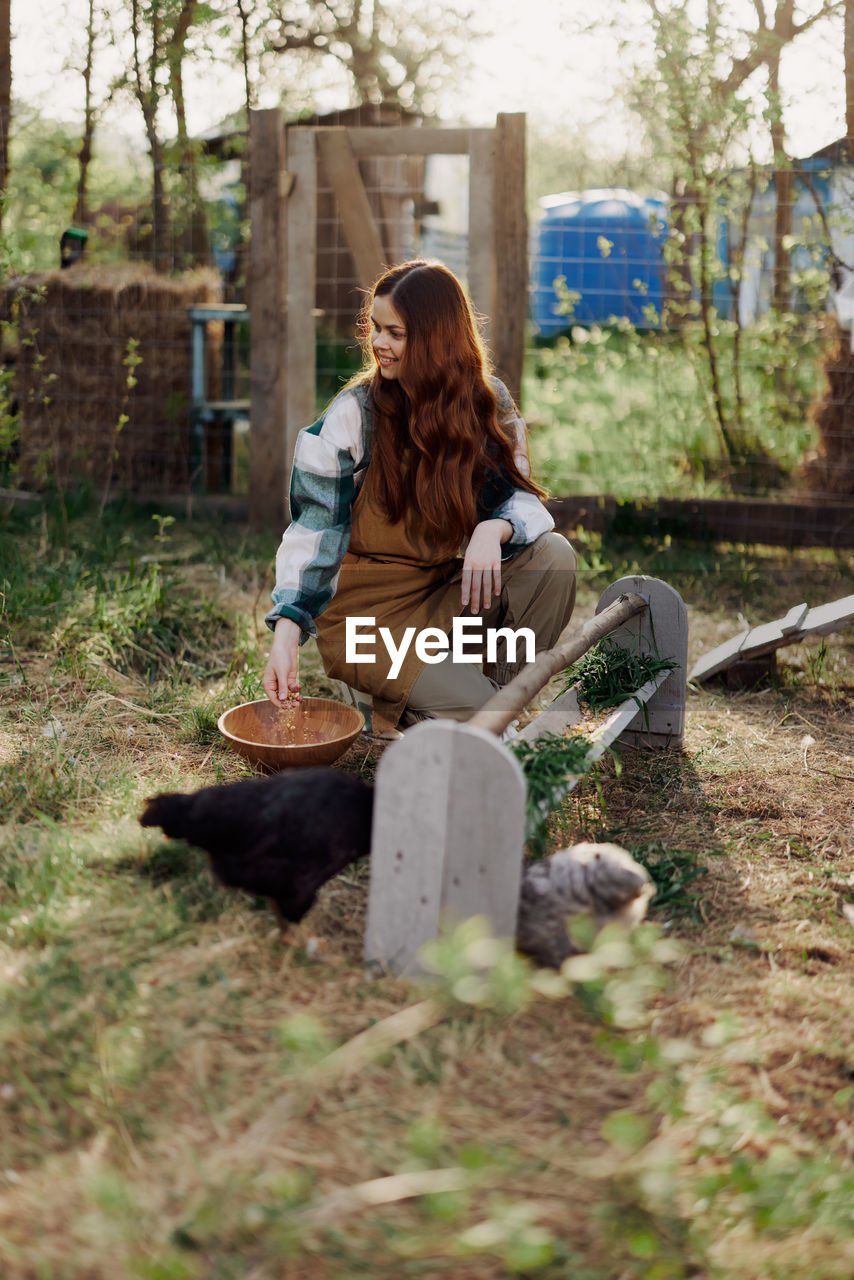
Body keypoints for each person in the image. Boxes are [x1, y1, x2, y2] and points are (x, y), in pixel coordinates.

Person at [263, 259, 577, 737]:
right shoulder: (354, 415)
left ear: (438, 337)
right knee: (487, 716)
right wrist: (286, 630)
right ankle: (457, 704)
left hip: (442, 595)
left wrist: (494, 529)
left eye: (397, 333)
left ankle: (488, 696)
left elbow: (524, 499)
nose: (378, 344)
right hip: (364, 623)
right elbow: (313, 529)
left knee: (553, 558)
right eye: (376, 328)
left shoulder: (488, 404)